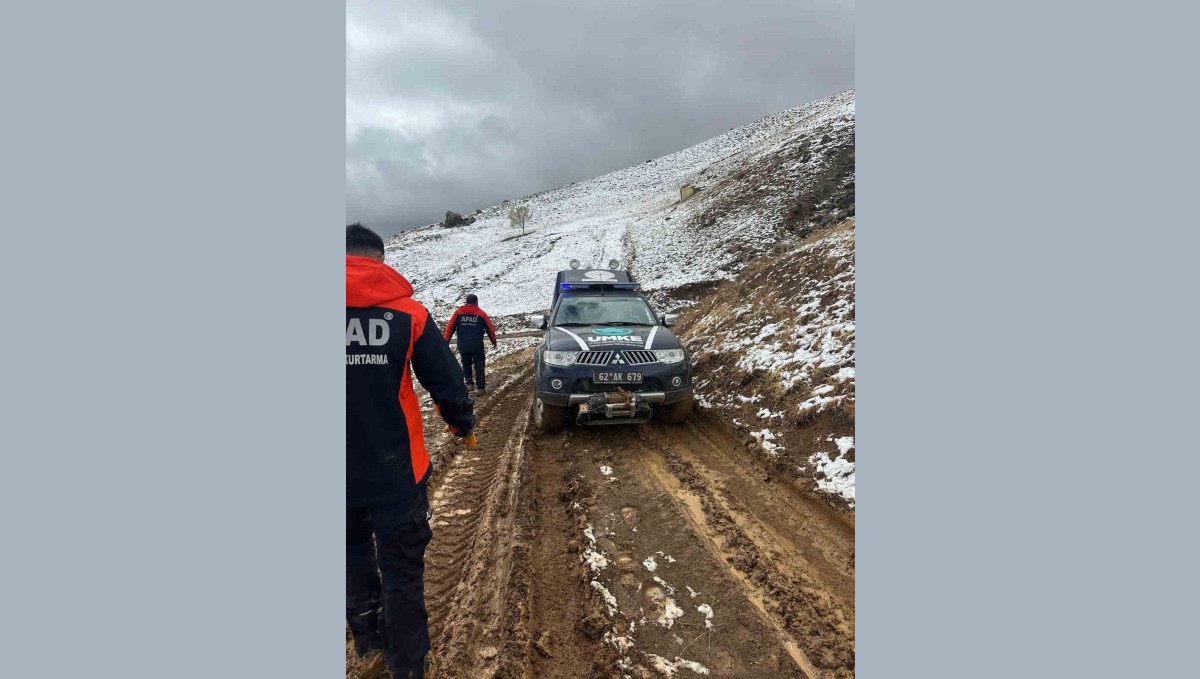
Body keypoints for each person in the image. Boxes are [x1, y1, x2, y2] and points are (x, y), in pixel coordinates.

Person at [345, 223, 477, 679]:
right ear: (380, 261)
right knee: (402, 574)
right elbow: (445, 381)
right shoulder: (411, 315)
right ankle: (408, 665)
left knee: (349, 553)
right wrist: (463, 425)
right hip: (397, 473)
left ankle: (365, 636)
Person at [443, 294, 498, 394]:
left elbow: (450, 327)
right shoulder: (481, 314)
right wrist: (493, 340)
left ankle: (469, 384)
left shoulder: (458, 313)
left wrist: (446, 341)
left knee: (466, 363)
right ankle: (480, 388)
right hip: (477, 345)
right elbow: (490, 328)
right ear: (476, 302)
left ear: (466, 301)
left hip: (463, 345)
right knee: (479, 364)